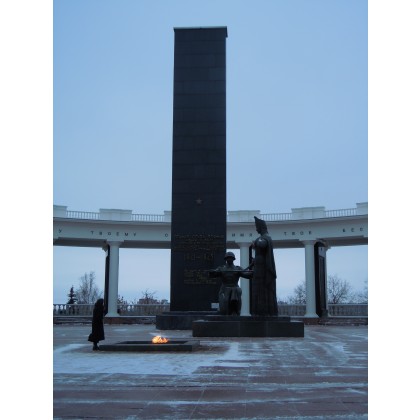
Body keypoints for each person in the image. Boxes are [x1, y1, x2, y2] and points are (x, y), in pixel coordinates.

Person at [251, 217, 278, 316]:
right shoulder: (262, 238)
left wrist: (256, 243)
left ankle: (266, 311)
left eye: (257, 227)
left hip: (263, 268)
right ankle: (258, 310)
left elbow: (262, 244)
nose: (256, 229)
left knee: (264, 288)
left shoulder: (266, 238)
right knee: (257, 288)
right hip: (258, 266)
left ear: (261, 227)